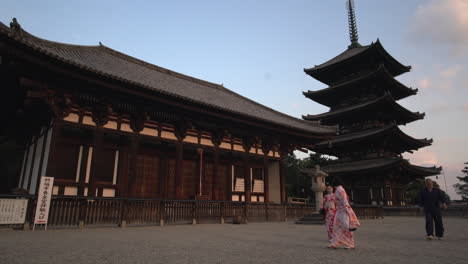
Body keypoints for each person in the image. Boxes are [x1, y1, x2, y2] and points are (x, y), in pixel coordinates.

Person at [328, 177, 360, 249]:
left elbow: (344, 199)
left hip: (343, 210)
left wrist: (346, 208)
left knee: (346, 226)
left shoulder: (340, 190)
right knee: (336, 225)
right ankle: (335, 242)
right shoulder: (338, 189)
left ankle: (350, 243)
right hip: (339, 210)